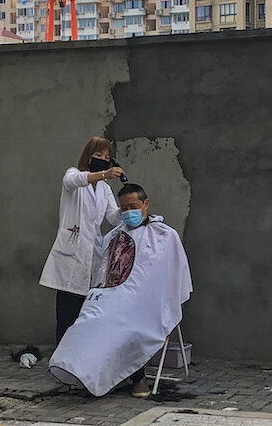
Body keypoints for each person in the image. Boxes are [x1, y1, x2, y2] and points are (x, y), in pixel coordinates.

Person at [49, 183, 192, 398]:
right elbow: (102, 269)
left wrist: (160, 305)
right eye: (123, 208)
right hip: (110, 296)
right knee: (87, 321)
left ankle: (138, 379)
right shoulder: (114, 235)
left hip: (145, 302)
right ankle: (78, 370)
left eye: (133, 206)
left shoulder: (164, 236)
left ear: (145, 203)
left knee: (124, 326)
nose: (128, 212)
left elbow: (172, 275)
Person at [38, 137, 125, 344]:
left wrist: (128, 208)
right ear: (88, 156)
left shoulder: (104, 189)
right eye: (98, 155)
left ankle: (81, 357)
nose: (103, 159)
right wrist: (103, 174)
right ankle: (62, 356)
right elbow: (72, 181)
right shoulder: (74, 175)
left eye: (107, 157)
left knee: (86, 315)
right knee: (67, 315)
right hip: (71, 254)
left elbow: (113, 217)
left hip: (93, 254)